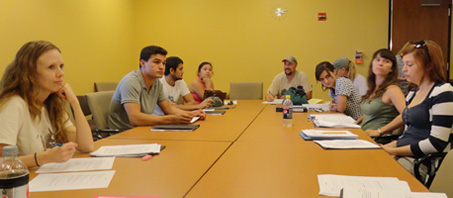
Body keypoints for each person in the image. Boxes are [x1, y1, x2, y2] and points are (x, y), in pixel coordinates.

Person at [0, 40, 94, 168]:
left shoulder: (51, 102)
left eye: (61, 66)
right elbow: (3, 163)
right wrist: (45, 157)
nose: (60, 73)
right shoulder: (15, 104)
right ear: (30, 73)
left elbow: (86, 145)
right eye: (51, 67)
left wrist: (74, 103)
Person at [368, 40, 453, 178]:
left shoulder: (443, 92)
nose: (404, 69)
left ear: (429, 65)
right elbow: (408, 135)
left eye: (409, 65)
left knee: (375, 173)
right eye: (404, 64)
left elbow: (436, 143)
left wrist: (393, 150)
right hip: (402, 153)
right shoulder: (413, 93)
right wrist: (388, 147)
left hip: (420, 161)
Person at [108, 45, 205, 130]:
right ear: (142, 63)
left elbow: (168, 109)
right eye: (156, 62)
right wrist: (171, 119)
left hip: (143, 129)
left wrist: (191, 115)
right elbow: (135, 118)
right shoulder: (131, 81)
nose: (161, 67)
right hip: (123, 134)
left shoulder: (156, 83)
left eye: (163, 63)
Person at [357, 49, 406, 133]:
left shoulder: (392, 89)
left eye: (386, 61)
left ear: (391, 69)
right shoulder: (373, 88)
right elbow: (371, 114)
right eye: (377, 60)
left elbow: (406, 115)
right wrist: (355, 123)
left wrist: (379, 131)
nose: (380, 63)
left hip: (381, 139)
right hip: (364, 134)